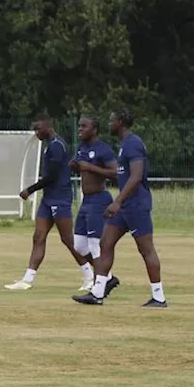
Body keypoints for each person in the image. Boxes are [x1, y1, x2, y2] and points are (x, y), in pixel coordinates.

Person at [74, 110, 167, 308]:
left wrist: (118, 201)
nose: (109, 124)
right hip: (124, 206)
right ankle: (97, 293)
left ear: (121, 122)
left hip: (136, 205)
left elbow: (136, 176)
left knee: (146, 249)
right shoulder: (124, 144)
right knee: (105, 243)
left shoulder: (133, 143)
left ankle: (159, 297)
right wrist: (119, 203)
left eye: (111, 121)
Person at [4, 114, 86, 290]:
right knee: (38, 237)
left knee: (68, 239)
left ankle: (90, 276)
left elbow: (52, 177)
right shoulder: (49, 145)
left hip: (60, 198)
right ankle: (28, 280)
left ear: (48, 127)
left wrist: (29, 190)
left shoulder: (57, 146)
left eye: (38, 128)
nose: (35, 132)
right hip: (48, 199)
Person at [69, 116, 118, 293]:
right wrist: (73, 165)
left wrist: (90, 168)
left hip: (99, 200)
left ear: (94, 129)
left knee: (95, 245)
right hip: (86, 200)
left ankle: (99, 287)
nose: (80, 129)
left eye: (84, 126)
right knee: (79, 245)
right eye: (79, 125)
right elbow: (78, 165)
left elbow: (114, 172)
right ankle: (109, 277)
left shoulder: (102, 149)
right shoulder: (82, 147)